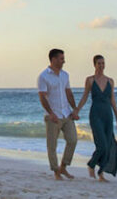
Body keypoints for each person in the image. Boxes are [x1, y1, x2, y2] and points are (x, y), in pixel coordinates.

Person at [71, 54, 117, 182]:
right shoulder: (90, 80)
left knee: (109, 144)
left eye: (103, 63)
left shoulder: (110, 81)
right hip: (95, 115)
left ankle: (101, 174)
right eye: (99, 63)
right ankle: (91, 164)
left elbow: (113, 100)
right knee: (102, 145)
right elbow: (84, 97)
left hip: (108, 115)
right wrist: (77, 110)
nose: (101, 65)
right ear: (94, 64)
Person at [38, 48, 79, 180]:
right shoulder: (43, 76)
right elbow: (42, 97)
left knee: (72, 140)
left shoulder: (65, 75)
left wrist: (75, 109)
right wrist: (51, 113)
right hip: (53, 116)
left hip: (66, 114)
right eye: (61, 59)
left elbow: (69, 93)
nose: (64, 61)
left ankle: (63, 167)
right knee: (52, 145)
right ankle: (56, 171)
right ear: (54, 59)